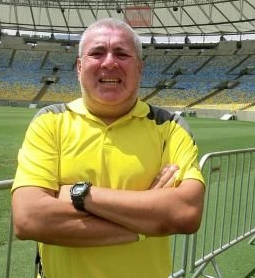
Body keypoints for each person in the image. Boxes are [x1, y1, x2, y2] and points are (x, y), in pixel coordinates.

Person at [11, 18, 205, 278]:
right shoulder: (50, 122)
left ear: (139, 68)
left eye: (122, 54)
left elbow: (185, 213)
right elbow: (29, 218)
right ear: (79, 66)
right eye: (97, 52)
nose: (110, 62)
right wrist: (144, 224)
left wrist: (77, 195)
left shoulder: (170, 127)